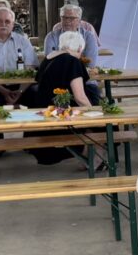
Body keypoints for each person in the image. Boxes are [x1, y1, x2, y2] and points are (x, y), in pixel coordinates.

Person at [28, 31, 100, 166]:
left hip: (46, 110)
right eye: (81, 51)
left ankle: (89, 158)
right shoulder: (72, 61)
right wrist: (95, 111)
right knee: (104, 125)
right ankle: (94, 161)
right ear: (79, 48)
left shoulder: (48, 58)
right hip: (60, 113)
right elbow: (80, 98)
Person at [44, 0, 99, 67]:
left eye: (72, 18)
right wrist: (76, 55)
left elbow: (90, 64)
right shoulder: (51, 37)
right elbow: (49, 62)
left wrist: (60, 55)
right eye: (64, 17)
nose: (67, 21)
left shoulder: (89, 37)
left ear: (79, 20)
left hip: (83, 75)